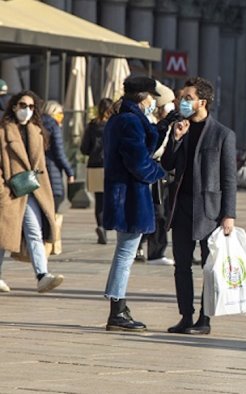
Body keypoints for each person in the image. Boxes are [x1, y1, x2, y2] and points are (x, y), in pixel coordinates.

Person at [161, 76, 237, 335]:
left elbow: (229, 178)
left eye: (188, 98)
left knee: (209, 268)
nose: (182, 102)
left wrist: (229, 215)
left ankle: (204, 319)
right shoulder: (180, 128)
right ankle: (185, 316)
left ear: (202, 102)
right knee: (181, 266)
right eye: (182, 98)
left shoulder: (223, 134)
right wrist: (176, 138)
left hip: (209, 211)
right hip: (181, 208)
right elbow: (168, 164)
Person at [102, 76, 165, 331]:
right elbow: (139, 162)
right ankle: (116, 311)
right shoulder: (130, 122)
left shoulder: (124, 119)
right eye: (151, 97)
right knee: (126, 254)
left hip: (125, 195)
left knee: (124, 253)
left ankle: (119, 306)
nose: (153, 102)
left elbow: (143, 147)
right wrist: (160, 172)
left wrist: (164, 126)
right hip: (129, 197)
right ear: (142, 97)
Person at [0, 90, 64, 294]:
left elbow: (42, 164)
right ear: (13, 107)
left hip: (32, 189)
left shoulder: (37, 131)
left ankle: (42, 276)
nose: (26, 110)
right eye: (22, 105)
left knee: (34, 232)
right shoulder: (3, 131)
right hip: (10, 190)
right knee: (3, 236)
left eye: (30, 107)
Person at [136, 81, 177, 266]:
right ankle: (154, 252)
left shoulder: (161, 123)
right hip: (152, 171)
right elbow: (155, 149)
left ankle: (147, 249)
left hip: (160, 172)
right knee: (157, 213)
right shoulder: (151, 123)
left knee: (160, 213)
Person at [81, 98, 114, 244]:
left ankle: (101, 226)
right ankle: (107, 224)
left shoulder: (92, 125)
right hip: (110, 165)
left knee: (99, 199)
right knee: (111, 197)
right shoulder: (113, 125)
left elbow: (84, 148)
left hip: (94, 165)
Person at [42, 100, 75, 212]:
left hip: (38, 169)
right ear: (52, 112)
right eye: (59, 113)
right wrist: (69, 171)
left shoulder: (35, 123)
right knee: (54, 206)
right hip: (52, 169)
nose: (61, 116)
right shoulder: (53, 126)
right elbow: (59, 153)